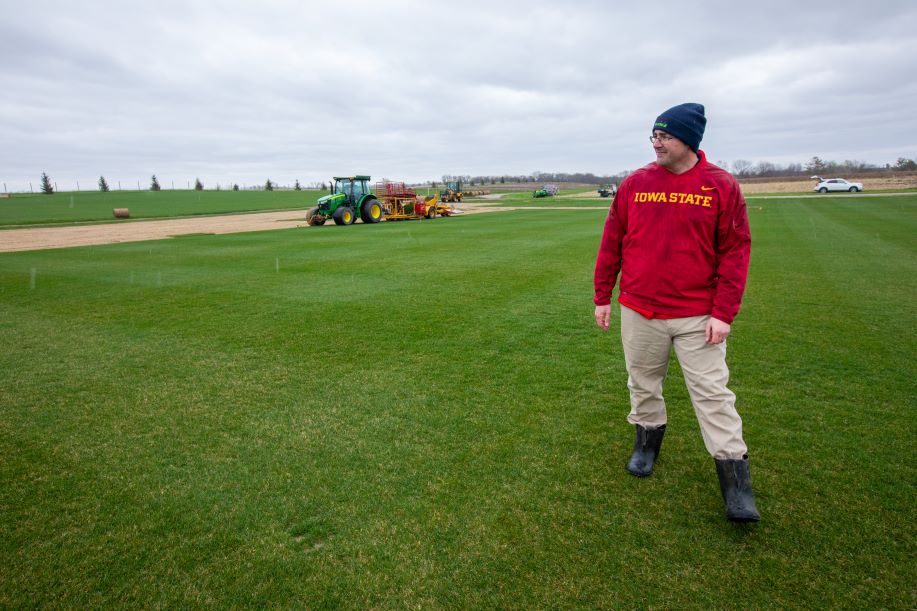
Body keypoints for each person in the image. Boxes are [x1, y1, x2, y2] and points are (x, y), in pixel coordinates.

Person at [592, 102, 760, 522]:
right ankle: (646, 446)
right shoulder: (636, 183)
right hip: (639, 308)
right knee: (643, 383)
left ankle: (736, 482)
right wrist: (602, 295)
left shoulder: (720, 185)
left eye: (665, 136)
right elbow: (612, 241)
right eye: (654, 135)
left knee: (713, 395)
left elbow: (736, 252)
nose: (656, 142)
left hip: (697, 315)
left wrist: (724, 312)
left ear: (689, 140)